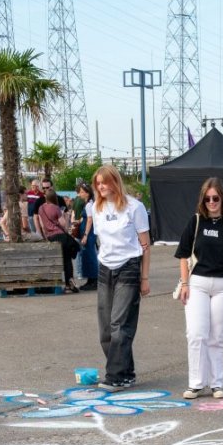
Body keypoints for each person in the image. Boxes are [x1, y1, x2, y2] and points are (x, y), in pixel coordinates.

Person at [175, 176, 223, 400]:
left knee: (217, 337)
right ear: (202, 199)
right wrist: (185, 283)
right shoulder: (196, 221)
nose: (211, 202)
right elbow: (183, 255)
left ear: (222, 199)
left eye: (215, 198)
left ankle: (216, 383)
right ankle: (195, 383)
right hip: (197, 283)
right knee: (196, 333)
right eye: (207, 198)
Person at [89, 163, 151, 389]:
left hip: (128, 266)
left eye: (105, 182)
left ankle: (115, 376)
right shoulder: (96, 208)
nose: (101, 187)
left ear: (115, 181)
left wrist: (144, 278)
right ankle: (126, 373)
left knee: (120, 324)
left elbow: (145, 245)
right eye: (98, 183)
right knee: (106, 328)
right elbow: (100, 239)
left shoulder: (134, 207)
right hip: (105, 267)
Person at [36, 190, 80, 291]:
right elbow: (63, 225)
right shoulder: (56, 208)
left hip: (50, 237)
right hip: (60, 236)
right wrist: (67, 217)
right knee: (68, 257)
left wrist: (46, 236)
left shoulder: (41, 208)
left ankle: (63, 282)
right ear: (54, 198)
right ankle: (69, 281)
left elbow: (42, 225)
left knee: (58, 259)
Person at [73, 182, 99, 290]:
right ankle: (90, 279)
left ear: (88, 193)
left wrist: (85, 235)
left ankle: (93, 279)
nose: (80, 194)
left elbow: (90, 219)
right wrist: (79, 221)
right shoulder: (90, 203)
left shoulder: (89, 204)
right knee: (87, 255)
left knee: (89, 255)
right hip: (88, 231)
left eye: (82, 192)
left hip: (88, 233)